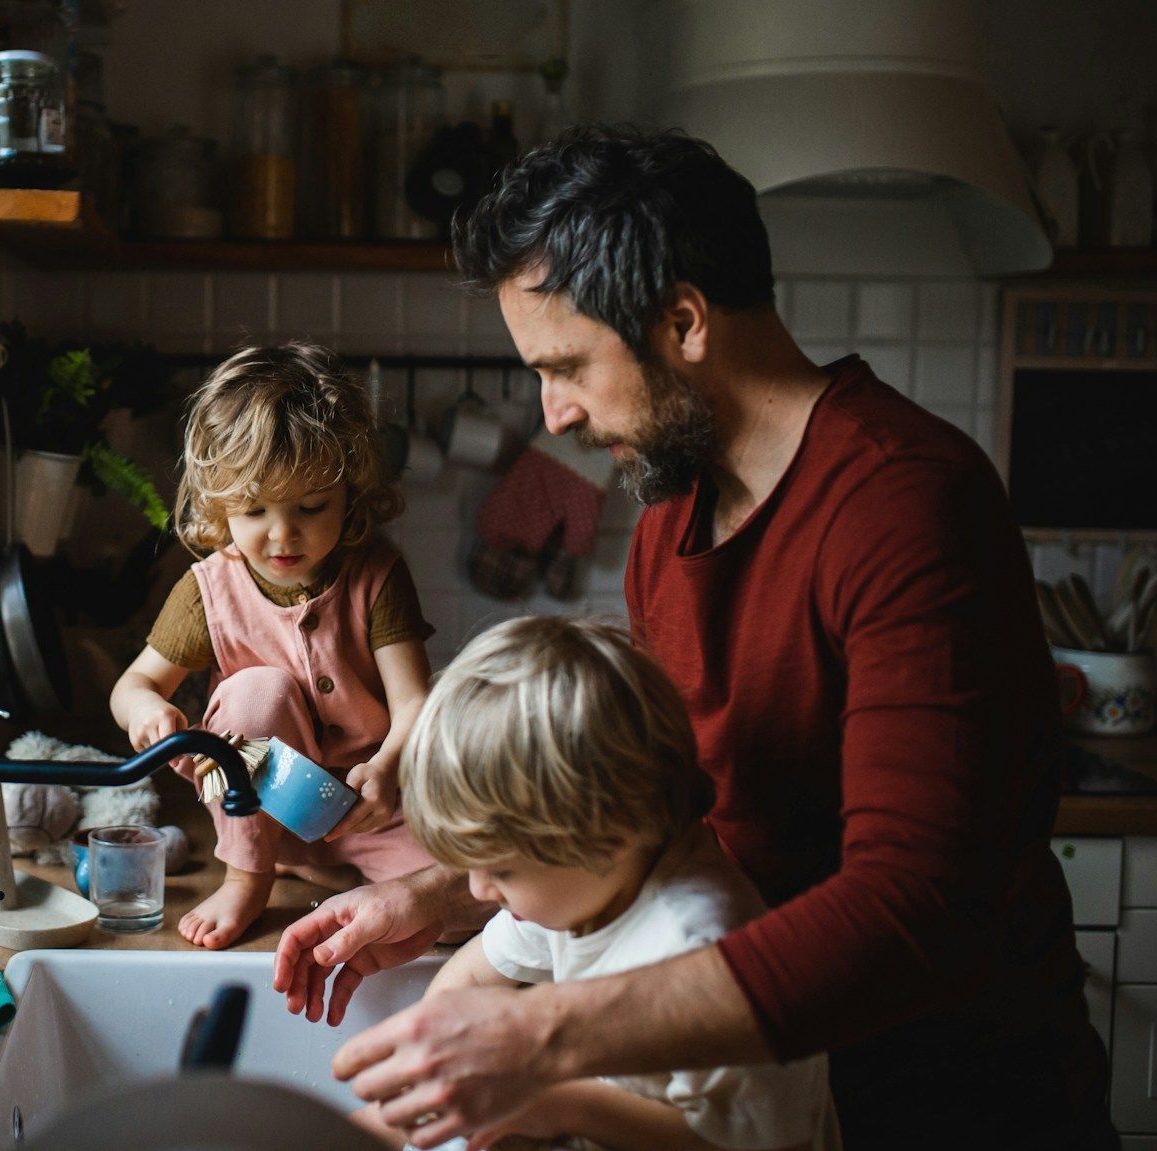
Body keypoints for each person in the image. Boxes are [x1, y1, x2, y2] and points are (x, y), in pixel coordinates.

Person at [271, 125, 1111, 1149]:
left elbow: (915, 905)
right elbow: (643, 806)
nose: (559, 414)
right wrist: (444, 888)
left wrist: (542, 1035)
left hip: (952, 1105)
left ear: (683, 319)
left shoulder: (904, 501)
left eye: (568, 365)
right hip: (760, 1091)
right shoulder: (673, 517)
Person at [355, 615, 837, 1151]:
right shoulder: (585, 885)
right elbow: (469, 983)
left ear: (609, 834)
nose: (476, 891)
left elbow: (749, 1144)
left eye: (501, 870)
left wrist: (552, 1103)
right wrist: (397, 1102)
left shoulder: (697, 949)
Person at [110, 343, 436, 949]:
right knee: (256, 691)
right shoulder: (209, 589)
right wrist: (148, 712)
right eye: (254, 510)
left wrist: (388, 771)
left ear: (351, 498)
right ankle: (249, 875)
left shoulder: (378, 574)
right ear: (219, 505)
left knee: (460, 907)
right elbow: (132, 686)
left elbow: (416, 701)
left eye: (311, 507)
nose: (282, 534)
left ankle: (328, 861)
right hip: (260, 804)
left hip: (370, 807)